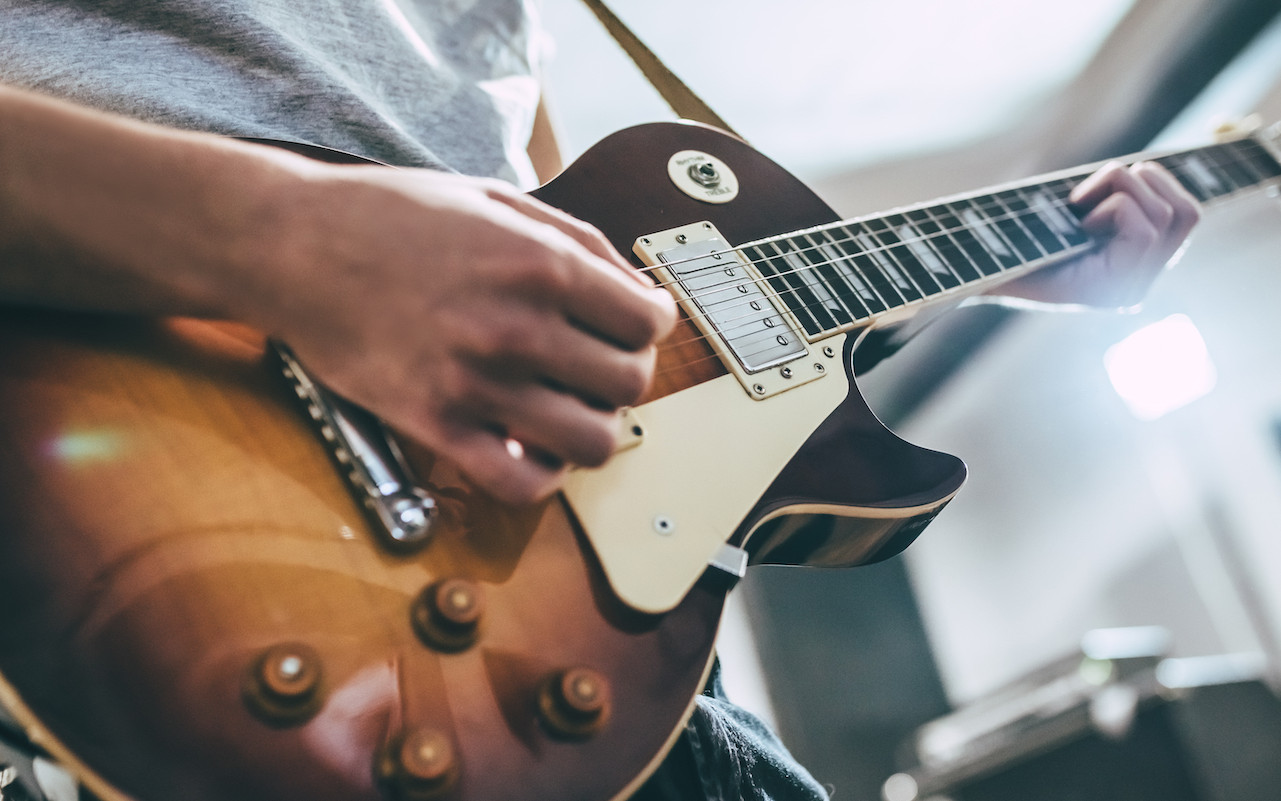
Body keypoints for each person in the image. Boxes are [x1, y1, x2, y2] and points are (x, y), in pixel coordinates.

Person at [0, 1, 1200, 799]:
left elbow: (636, 291)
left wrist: (973, 274)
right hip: (139, 459)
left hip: (563, 619)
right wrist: (281, 239)